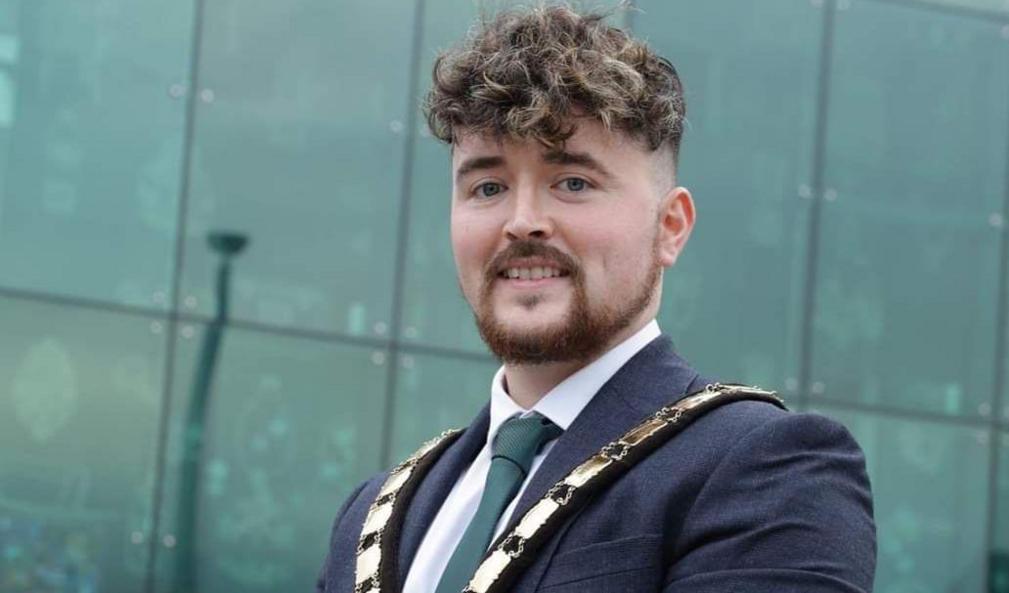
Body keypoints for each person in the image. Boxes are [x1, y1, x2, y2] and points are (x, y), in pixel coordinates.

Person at [317, 6, 876, 593]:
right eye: (488, 187)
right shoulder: (372, 513)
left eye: (573, 183)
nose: (522, 222)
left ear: (671, 227)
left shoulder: (769, 468)